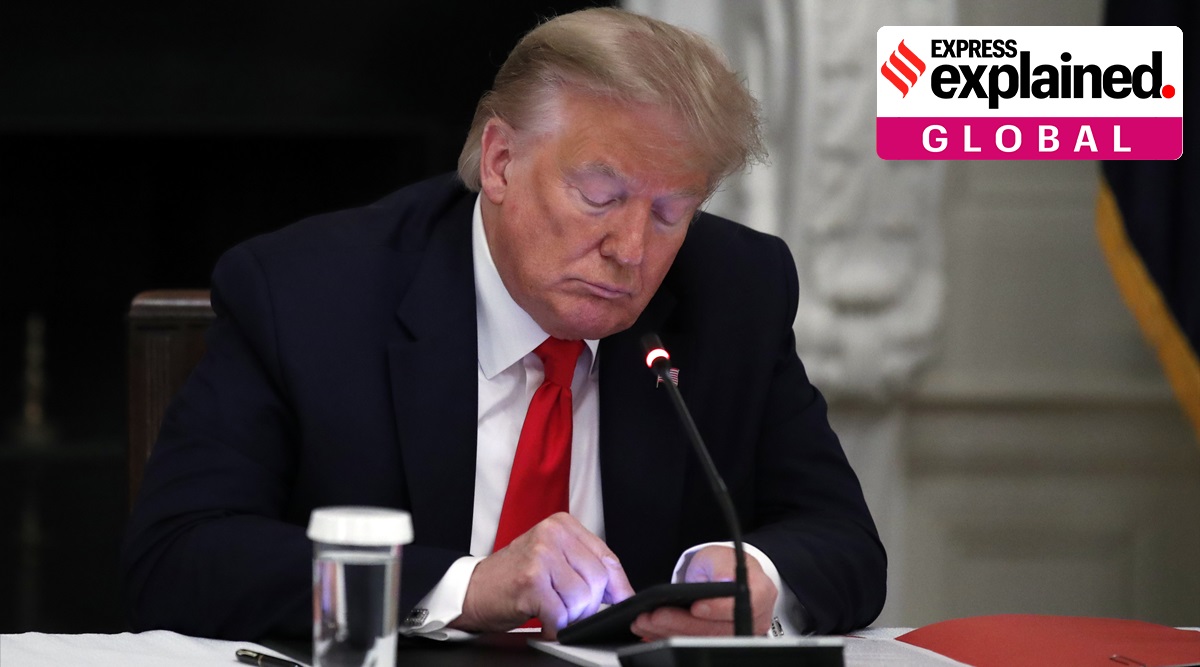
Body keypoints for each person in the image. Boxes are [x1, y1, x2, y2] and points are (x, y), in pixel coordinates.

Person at [121, 7, 886, 642]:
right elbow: (176, 557)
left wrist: (759, 576)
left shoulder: (736, 291)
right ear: (500, 160)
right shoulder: (309, 294)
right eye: (599, 195)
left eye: (669, 212)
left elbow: (844, 541)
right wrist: (464, 586)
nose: (630, 249)